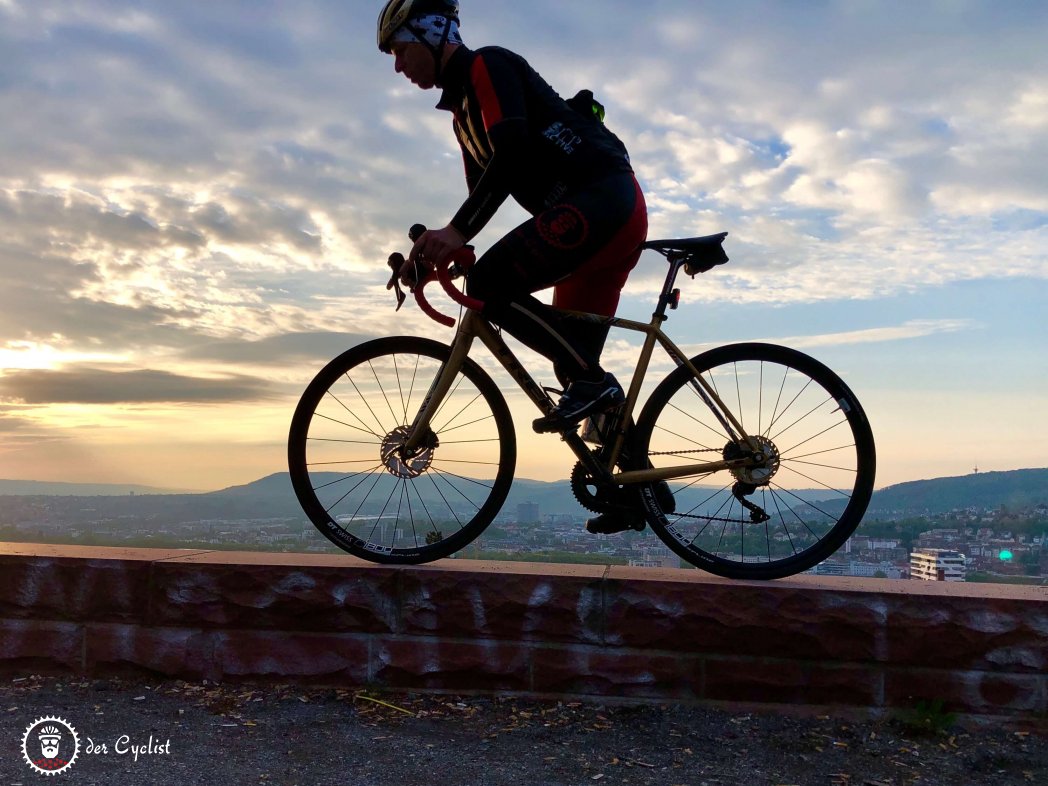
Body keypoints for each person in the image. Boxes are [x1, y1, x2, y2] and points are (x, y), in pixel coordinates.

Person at [377, 0, 648, 436]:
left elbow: (512, 157)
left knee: (490, 283)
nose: (397, 65)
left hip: (602, 199)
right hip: (597, 216)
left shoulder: (488, 64)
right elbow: (480, 200)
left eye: (399, 48)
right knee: (571, 361)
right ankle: (639, 492)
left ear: (432, 32)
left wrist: (456, 232)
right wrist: (435, 257)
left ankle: (596, 384)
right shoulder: (463, 118)